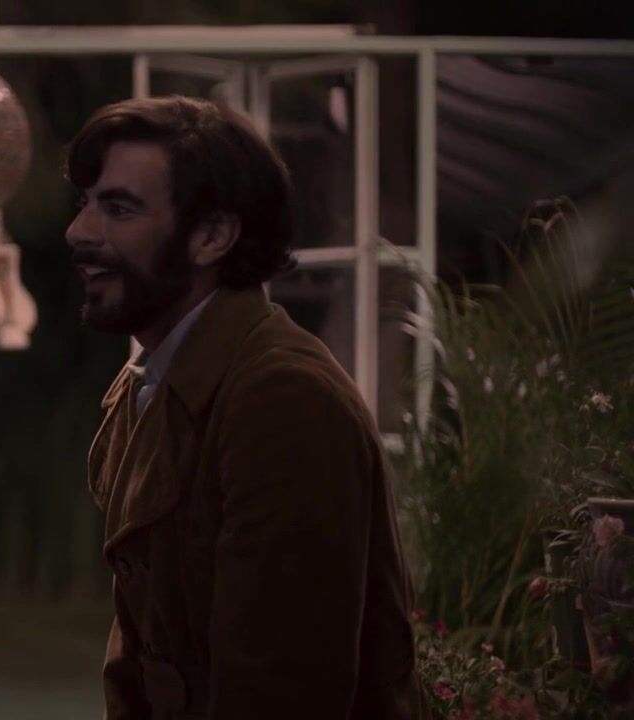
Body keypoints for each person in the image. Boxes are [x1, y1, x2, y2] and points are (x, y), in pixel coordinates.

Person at [66, 96, 418, 719]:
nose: (79, 232)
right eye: (85, 203)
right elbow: (142, 661)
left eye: (118, 208)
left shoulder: (281, 399)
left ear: (213, 236)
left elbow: (279, 692)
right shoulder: (151, 381)